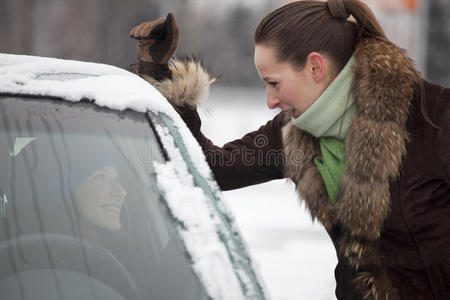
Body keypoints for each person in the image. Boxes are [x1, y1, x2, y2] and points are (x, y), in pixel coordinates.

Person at [129, 1, 450, 299]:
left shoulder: (436, 119)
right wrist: (161, 80)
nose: (270, 101)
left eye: (274, 83)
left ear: (314, 68)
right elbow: (211, 168)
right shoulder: (294, 134)